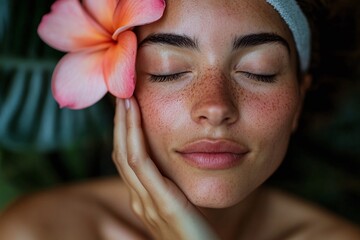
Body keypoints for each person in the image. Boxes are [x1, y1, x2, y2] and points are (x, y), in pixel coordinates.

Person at [0, 0, 359, 239]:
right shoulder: (37, 232)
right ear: (115, 92)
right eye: (168, 70)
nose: (215, 107)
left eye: (258, 71)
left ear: (299, 100)